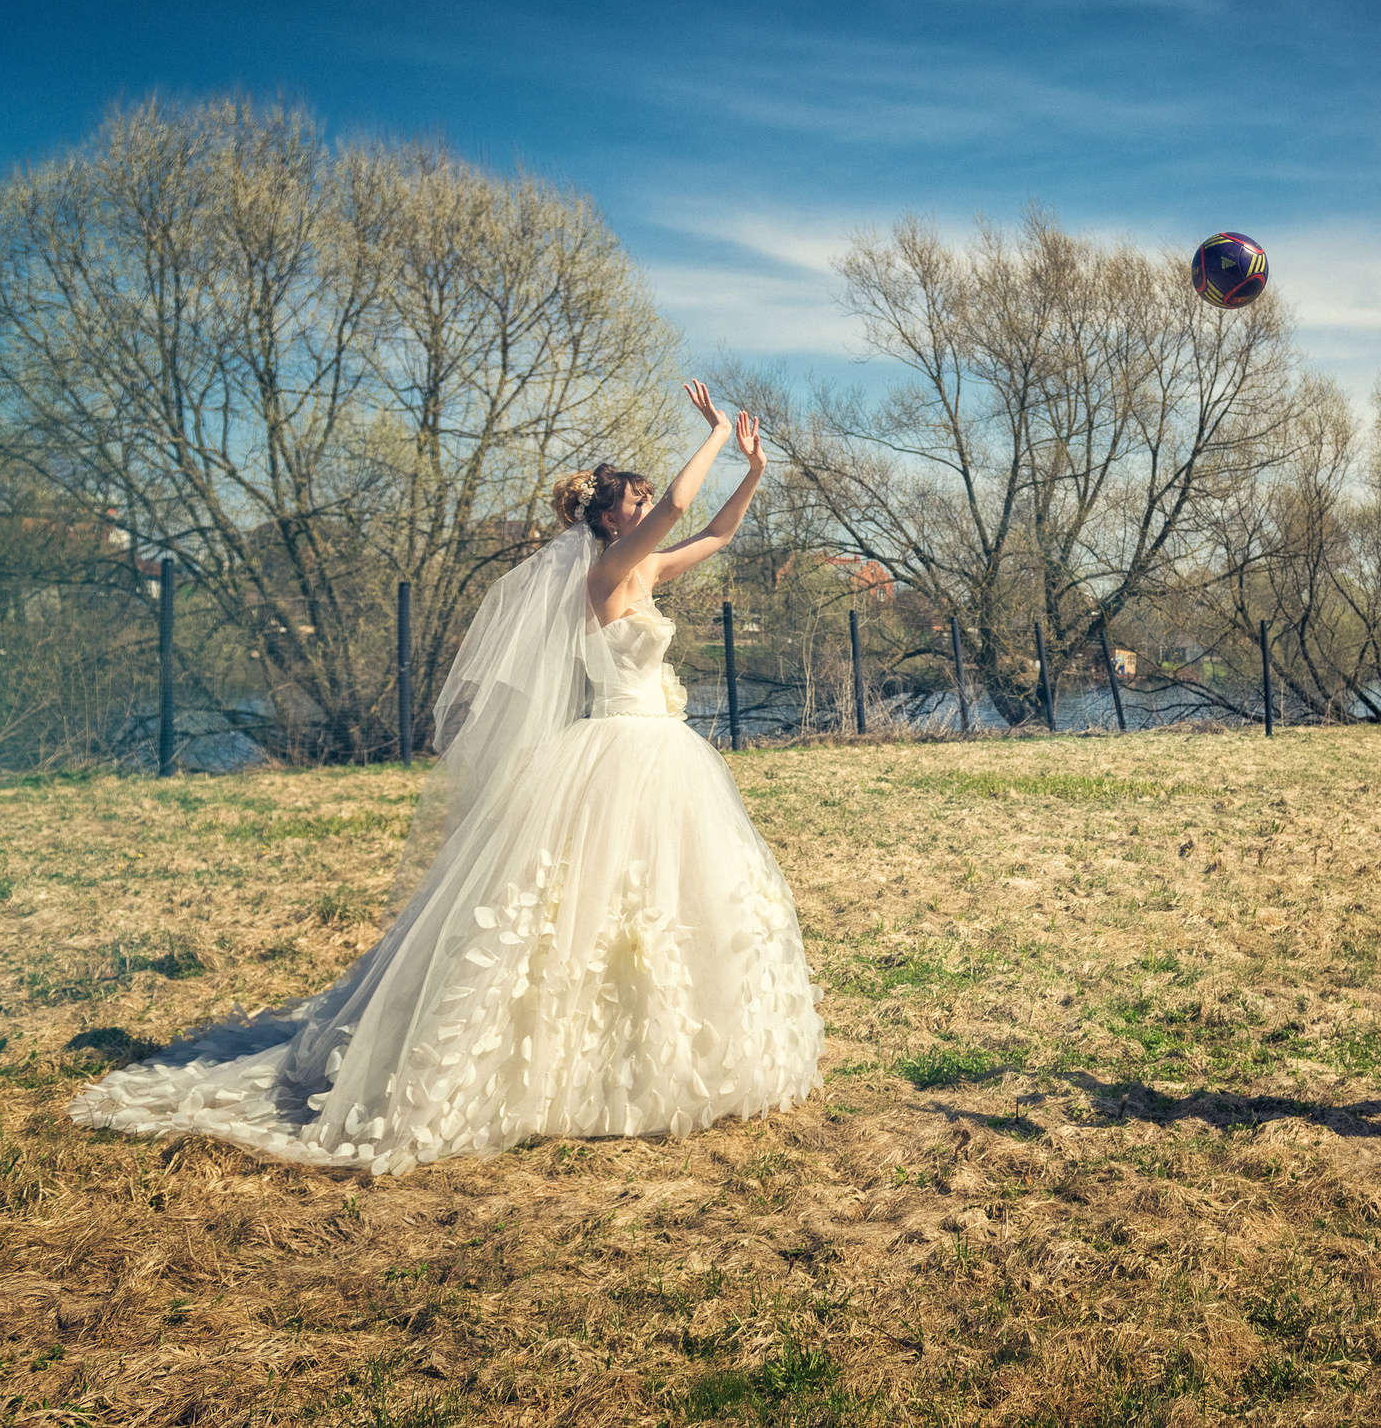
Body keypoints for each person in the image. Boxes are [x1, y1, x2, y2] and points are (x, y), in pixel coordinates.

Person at [69, 382, 823, 1174]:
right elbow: (676, 502)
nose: (643, 509)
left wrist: (754, 469)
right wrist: (709, 435)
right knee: (575, 907)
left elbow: (715, 529)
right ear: (607, 520)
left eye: (639, 500)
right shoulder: (604, 578)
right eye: (630, 501)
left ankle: (650, 1055)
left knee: (662, 902)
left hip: (661, 751)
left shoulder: (648, 571)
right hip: (613, 751)